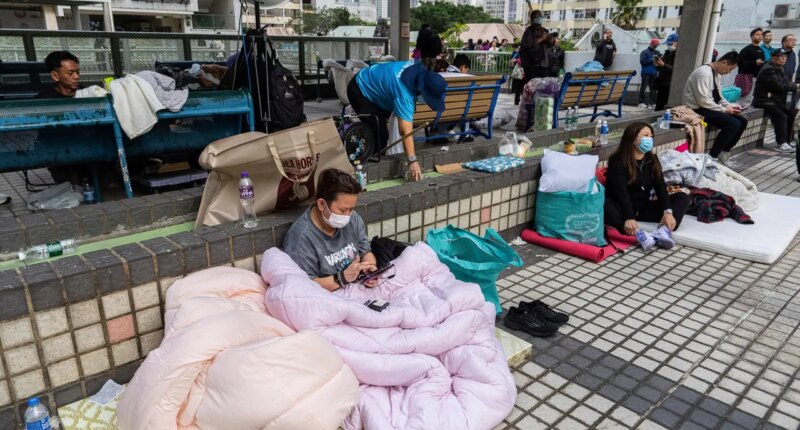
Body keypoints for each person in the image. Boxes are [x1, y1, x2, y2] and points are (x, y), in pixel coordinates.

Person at [347, 61, 446, 182]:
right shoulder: (404, 94)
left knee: (380, 129)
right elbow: (405, 131)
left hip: (378, 86)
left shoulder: (419, 71)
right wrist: (412, 161)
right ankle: (367, 172)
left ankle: (372, 159)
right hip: (360, 88)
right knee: (380, 136)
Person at [283, 169, 378, 291]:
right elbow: (306, 285)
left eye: (351, 209)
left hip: (356, 287)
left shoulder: (353, 218)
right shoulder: (301, 237)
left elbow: (365, 251)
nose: (348, 216)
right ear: (322, 204)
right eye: (343, 210)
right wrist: (342, 278)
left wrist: (370, 267)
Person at [604, 122, 690, 251]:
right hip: (621, 208)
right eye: (645, 135)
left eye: (651, 136)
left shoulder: (652, 159)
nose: (649, 139)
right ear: (633, 138)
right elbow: (621, 192)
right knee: (603, 206)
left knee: (682, 197)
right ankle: (638, 233)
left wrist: (667, 212)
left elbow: (660, 186)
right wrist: (629, 217)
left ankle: (663, 231)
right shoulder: (618, 160)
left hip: (643, 208)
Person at [683, 51, 747, 166]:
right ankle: (712, 158)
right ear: (724, 62)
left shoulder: (716, 74)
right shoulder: (703, 73)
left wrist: (730, 106)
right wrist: (725, 110)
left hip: (709, 107)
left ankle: (725, 152)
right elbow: (703, 101)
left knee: (742, 121)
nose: (729, 72)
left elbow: (719, 97)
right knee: (733, 124)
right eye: (730, 69)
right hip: (697, 110)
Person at [753, 48, 800, 153]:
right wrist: (796, 86)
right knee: (781, 116)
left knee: (790, 113)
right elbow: (779, 86)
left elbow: (786, 83)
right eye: (781, 57)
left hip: (774, 101)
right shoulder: (768, 69)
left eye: (785, 57)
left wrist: (793, 86)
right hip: (763, 100)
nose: (783, 59)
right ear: (773, 58)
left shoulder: (779, 68)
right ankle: (781, 143)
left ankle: (788, 141)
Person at [520, 10, 551, 85]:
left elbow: (550, 45)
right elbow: (527, 45)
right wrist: (541, 39)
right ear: (532, 19)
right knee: (532, 86)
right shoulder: (528, 31)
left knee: (542, 86)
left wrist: (551, 40)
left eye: (540, 16)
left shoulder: (544, 30)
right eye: (537, 17)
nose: (539, 18)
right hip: (531, 65)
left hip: (543, 64)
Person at [736, 28, 765, 101]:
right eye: (757, 34)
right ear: (752, 37)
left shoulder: (761, 50)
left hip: (757, 77)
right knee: (744, 97)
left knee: (751, 98)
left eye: (761, 35)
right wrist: (754, 63)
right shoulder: (746, 49)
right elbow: (740, 62)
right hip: (746, 77)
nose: (760, 36)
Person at [655, 33, 678, 111]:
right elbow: (661, 67)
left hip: (670, 84)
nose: (669, 46)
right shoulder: (667, 53)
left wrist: (664, 65)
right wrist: (657, 65)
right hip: (662, 82)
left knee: (666, 106)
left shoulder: (679, 55)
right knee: (659, 105)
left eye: (670, 44)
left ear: (677, 42)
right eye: (668, 44)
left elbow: (676, 69)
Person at [638, 39, 661, 108]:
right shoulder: (644, 52)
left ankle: (652, 102)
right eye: (655, 45)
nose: (656, 46)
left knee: (653, 88)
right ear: (651, 44)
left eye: (657, 45)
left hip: (654, 72)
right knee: (643, 87)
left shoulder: (657, 52)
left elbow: (659, 62)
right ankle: (641, 102)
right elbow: (642, 62)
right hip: (646, 72)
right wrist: (651, 60)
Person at [781, 34, 798, 106]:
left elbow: (793, 66)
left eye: (794, 40)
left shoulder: (793, 53)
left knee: (784, 99)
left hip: (788, 79)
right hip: (779, 80)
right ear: (784, 42)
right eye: (790, 40)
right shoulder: (778, 53)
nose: (793, 42)